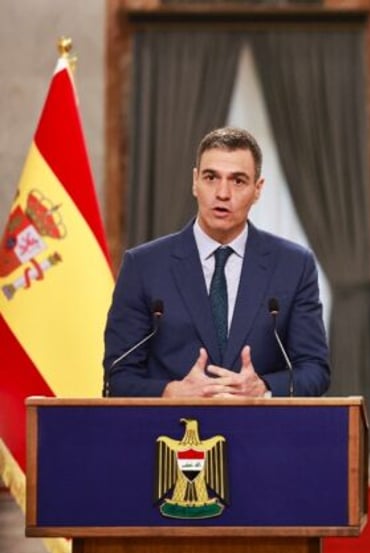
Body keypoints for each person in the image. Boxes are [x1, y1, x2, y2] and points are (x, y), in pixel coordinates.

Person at [103, 127, 330, 397]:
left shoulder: (294, 266)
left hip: (261, 432)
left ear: (258, 190)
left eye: (238, 181)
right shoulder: (144, 266)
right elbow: (118, 375)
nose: (223, 193)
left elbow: (315, 370)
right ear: (195, 181)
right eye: (211, 177)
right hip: (170, 434)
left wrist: (264, 388)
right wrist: (169, 392)